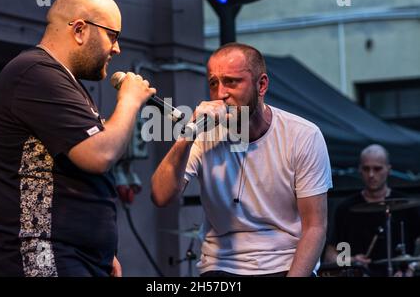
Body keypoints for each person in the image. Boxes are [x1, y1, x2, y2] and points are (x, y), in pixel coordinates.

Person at [0, 0, 155, 277]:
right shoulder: (35, 73)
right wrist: (129, 100)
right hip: (39, 255)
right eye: (112, 36)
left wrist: (99, 251)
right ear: (79, 30)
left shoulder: (64, 82)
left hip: (74, 256)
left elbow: (75, 176)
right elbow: (99, 154)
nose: (117, 48)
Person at [151, 42, 332, 277]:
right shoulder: (203, 134)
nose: (221, 94)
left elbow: (315, 227)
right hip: (221, 266)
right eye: (214, 83)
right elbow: (160, 195)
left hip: (285, 264)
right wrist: (188, 134)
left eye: (232, 82)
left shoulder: (303, 135)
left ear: (262, 85)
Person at [324, 144, 420, 277]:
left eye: (377, 169)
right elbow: (330, 256)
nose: (371, 174)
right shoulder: (346, 209)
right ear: (359, 170)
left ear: (388, 169)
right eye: (366, 169)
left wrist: (413, 267)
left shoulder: (408, 206)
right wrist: (351, 261)